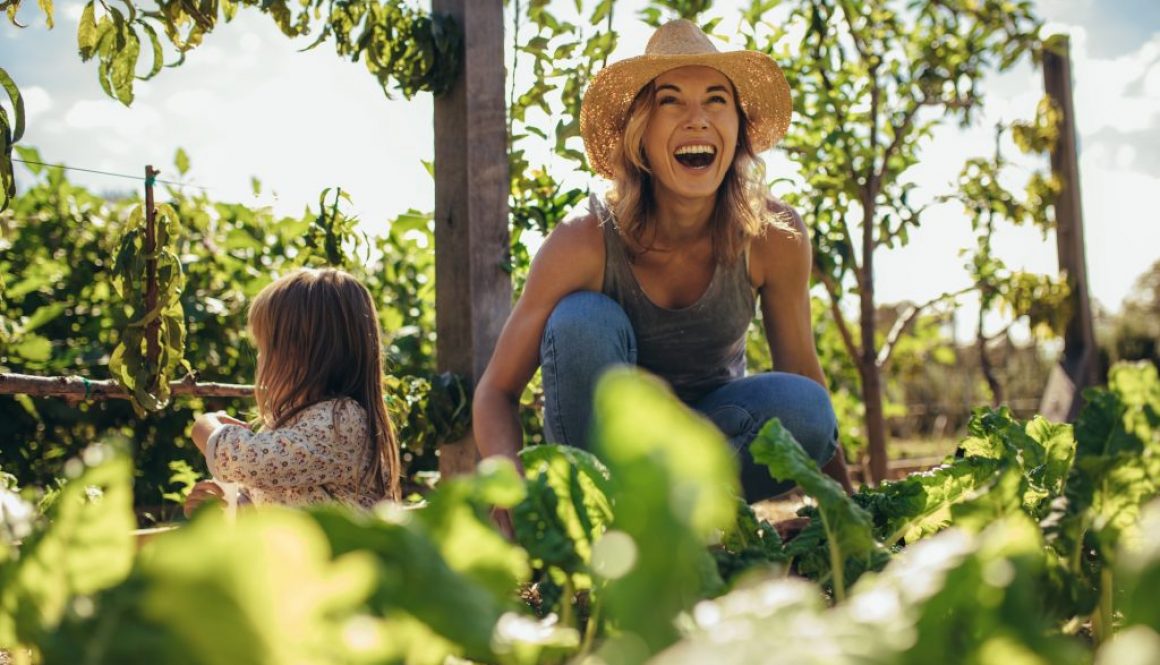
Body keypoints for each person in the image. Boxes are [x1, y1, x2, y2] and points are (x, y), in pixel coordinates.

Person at [472, 19, 854, 515]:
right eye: (671, 101)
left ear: (737, 131)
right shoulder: (583, 241)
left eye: (716, 100)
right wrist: (509, 485)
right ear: (640, 133)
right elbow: (496, 392)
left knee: (807, 407)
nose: (697, 119)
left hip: (712, 445)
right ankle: (600, 523)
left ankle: (676, 523)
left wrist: (849, 509)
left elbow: (801, 370)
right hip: (602, 462)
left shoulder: (772, 235)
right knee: (582, 319)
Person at [184, 267, 401, 516]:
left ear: (299, 354)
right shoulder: (290, 424)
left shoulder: (341, 421)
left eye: (264, 347)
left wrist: (205, 427)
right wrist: (225, 508)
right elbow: (272, 500)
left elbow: (253, 462)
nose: (259, 358)